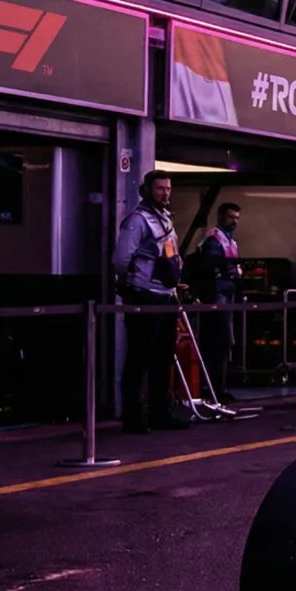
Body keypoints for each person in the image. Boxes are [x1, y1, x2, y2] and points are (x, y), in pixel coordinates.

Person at [114, 172, 191, 434]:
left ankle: (160, 411)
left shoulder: (165, 218)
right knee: (139, 357)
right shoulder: (137, 220)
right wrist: (134, 283)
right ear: (146, 189)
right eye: (160, 189)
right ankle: (133, 416)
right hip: (145, 294)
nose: (165, 193)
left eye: (168, 188)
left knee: (162, 357)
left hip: (166, 295)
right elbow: (121, 259)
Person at [191, 203, 245, 403]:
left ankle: (219, 386)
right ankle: (213, 388)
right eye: (231, 217)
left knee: (224, 343)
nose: (235, 222)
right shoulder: (214, 239)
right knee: (217, 342)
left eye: (237, 218)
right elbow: (213, 266)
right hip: (216, 295)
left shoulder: (230, 241)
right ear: (221, 216)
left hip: (227, 294)